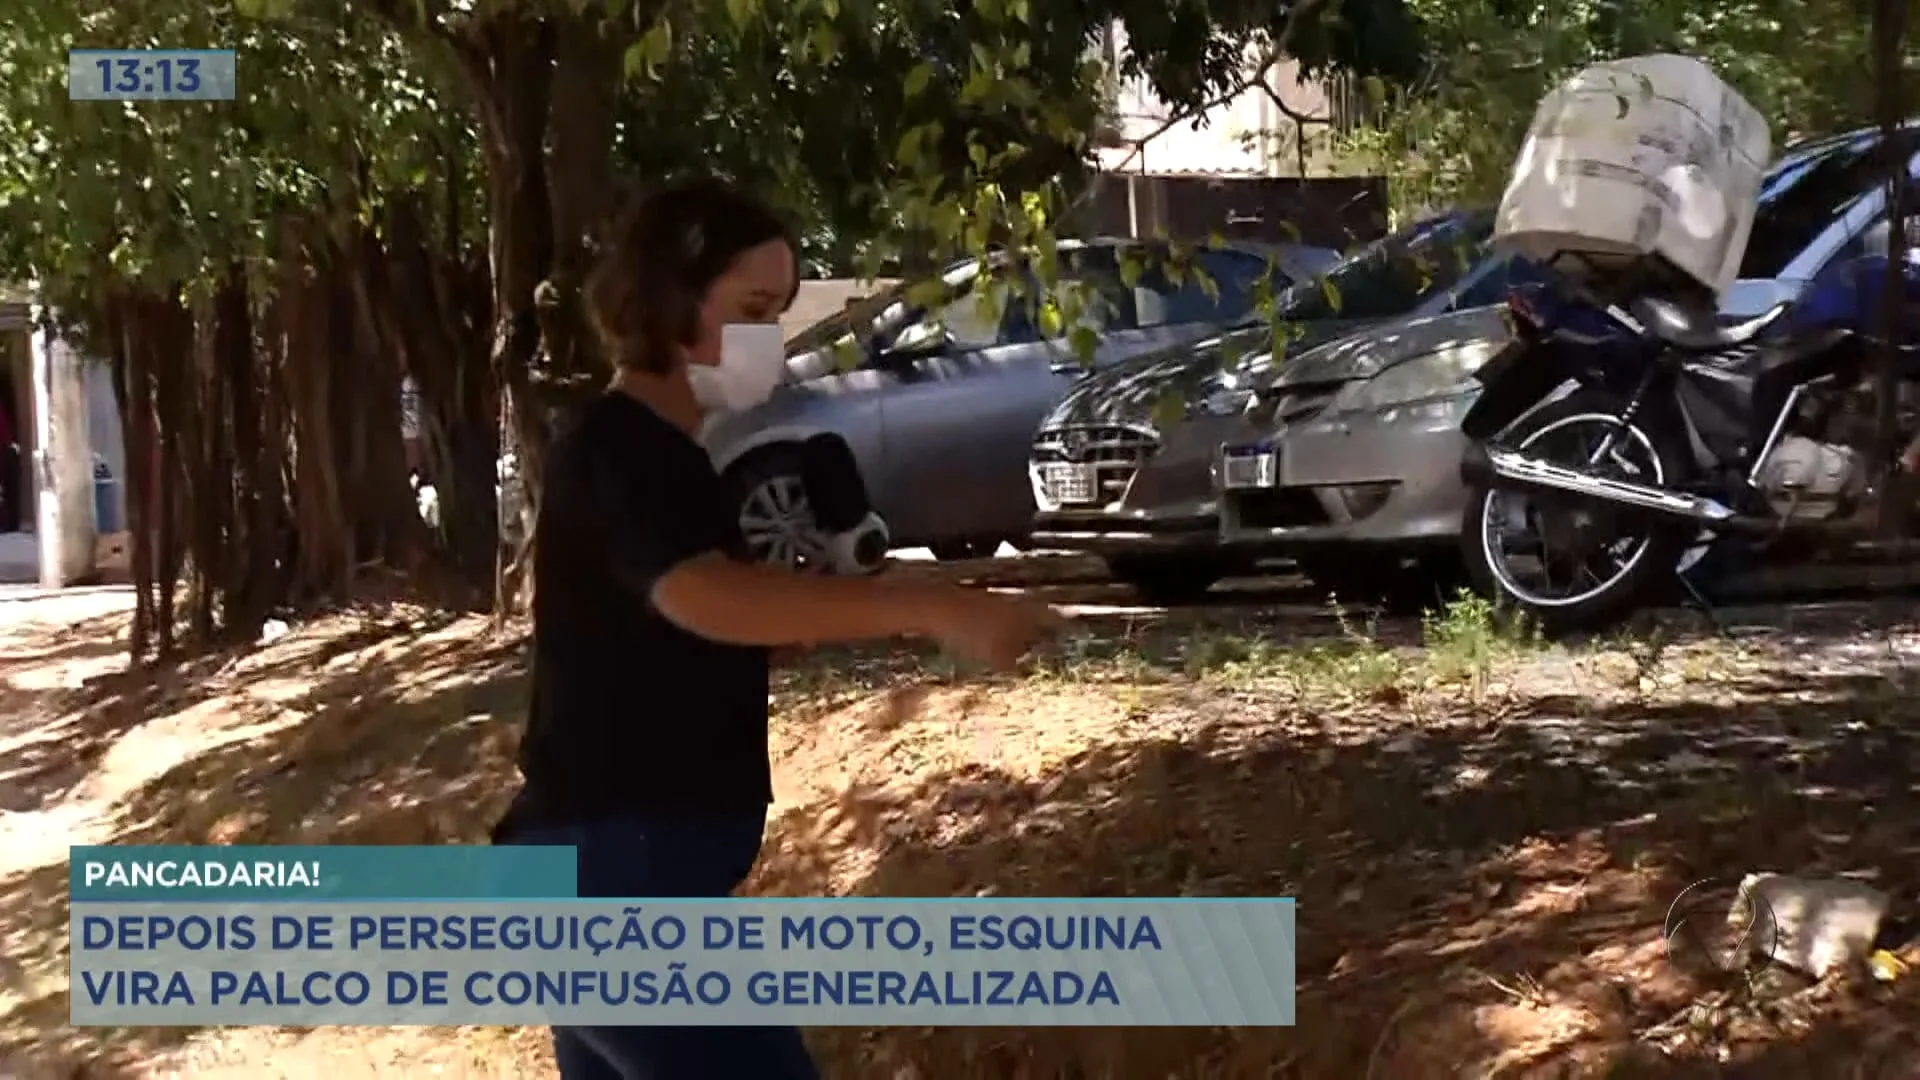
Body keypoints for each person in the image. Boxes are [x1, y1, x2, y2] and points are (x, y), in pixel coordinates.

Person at [492, 180, 1062, 1080]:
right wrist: (931, 606)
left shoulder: (675, 463)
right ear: (671, 303)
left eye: (782, 310)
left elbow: (720, 629)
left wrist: (832, 602)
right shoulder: (620, 450)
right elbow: (705, 600)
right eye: (755, 310)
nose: (774, 337)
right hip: (613, 882)